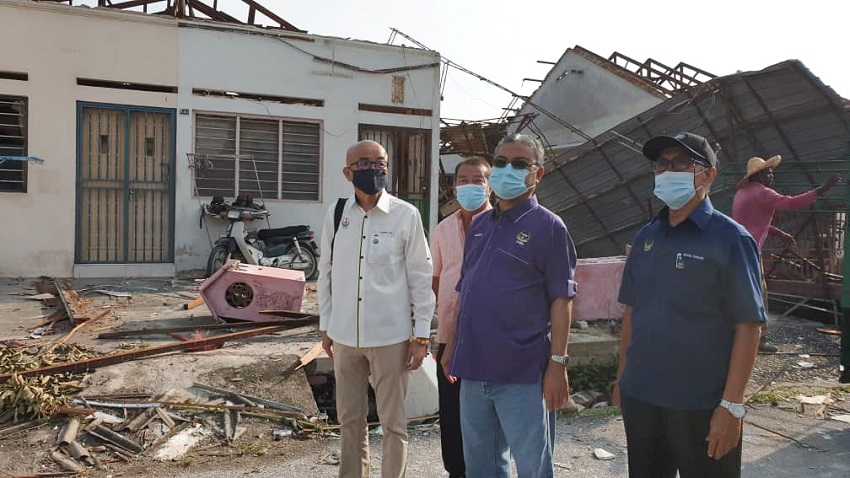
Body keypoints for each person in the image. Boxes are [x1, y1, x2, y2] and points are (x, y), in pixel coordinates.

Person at [613, 132, 765, 478]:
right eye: (661, 164)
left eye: (682, 163)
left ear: (708, 175)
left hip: (701, 402)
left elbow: (749, 325)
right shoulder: (647, 236)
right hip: (642, 396)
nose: (668, 171)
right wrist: (622, 379)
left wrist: (732, 405)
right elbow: (633, 310)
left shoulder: (731, 239)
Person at [441, 134, 577, 478]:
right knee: (481, 466)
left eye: (519, 164)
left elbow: (562, 299)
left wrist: (558, 365)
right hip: (473, 369)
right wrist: (452, 346)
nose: (508, 170)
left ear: (538, 173)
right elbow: (466, 291)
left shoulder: (549, 227)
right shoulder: (480, 226)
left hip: (523, 372)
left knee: (532, 467)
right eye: (501, 162)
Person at [317, 140, 435, 478]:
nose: (373, 169)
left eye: (379, 162)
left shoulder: (405, 214)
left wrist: (421, 336)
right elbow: (326, 271)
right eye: (364, 163)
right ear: (347, 172)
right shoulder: (337, 213)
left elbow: (421, 277)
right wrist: (326, 324)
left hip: (390, 339)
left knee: (393, 423)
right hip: (345, 338)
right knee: (350, 421)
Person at [732, 155, 840, 352]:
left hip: (737, 250)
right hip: (749, 252)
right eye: (768, 173)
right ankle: (759, 339)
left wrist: (779, 233)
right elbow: (790, 203)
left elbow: (752, 221)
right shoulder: (762, 192)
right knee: (759, 295)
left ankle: (736, 335)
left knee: (742, 294)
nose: (772, 176)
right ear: (758, 176)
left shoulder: (743, 192)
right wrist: (821, 189)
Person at [430, 157, 493, 478]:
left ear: (490, 187)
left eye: (477, 180)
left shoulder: (502, 226)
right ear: (454, 186)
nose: (470, 186)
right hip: (449, 337)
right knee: (452, 414)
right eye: (463, 180)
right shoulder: (443, 229)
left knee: (486, 416)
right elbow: (435, 278)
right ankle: (456, 471)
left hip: (490, 338)